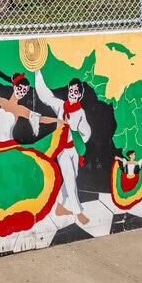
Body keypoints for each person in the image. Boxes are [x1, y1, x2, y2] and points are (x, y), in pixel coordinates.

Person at [34, 73, 92, 225]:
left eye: (75, 91)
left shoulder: (80, 112)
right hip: (62, 150)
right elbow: (45, 96)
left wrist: (78, 137)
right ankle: (79, 212)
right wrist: (37, 72)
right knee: (70, 178)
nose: (72, 93)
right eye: (70, 90)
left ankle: (60, 206)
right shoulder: (61, 106)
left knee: (73, 176)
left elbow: (86, 133)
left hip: (74, 149)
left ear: (80, 95)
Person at [0, 59, 59, 144]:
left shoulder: (20, 109)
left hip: (9, 145)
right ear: (15, 87)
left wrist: (58, 120)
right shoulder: (2, 101)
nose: (21, 92)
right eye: (20, 88)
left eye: (24, 90)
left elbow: (41, 119)